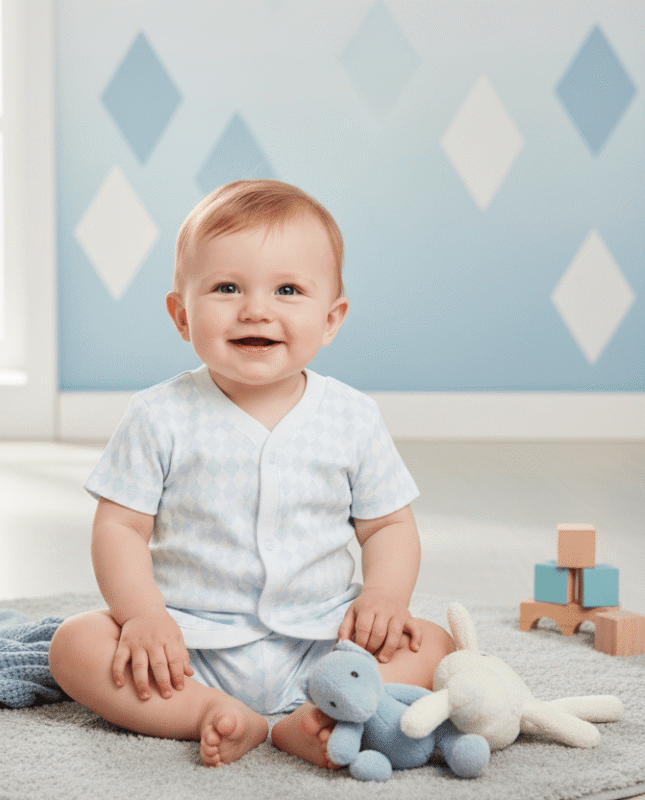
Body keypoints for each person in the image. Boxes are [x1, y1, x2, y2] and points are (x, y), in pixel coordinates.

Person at [48, 180, 455, 769]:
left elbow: (388, 524)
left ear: (331, 317)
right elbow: (120, 529)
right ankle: (208, 712)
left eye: (288, 289)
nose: (256, 308)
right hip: (187, 644)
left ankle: (309, 717)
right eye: (226, 287)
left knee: (431, 643)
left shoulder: (351, 416)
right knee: (76, 646)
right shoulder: (158, 415)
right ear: (181, 315)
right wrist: (143, 617)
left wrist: (386, 598)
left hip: (324, 642)